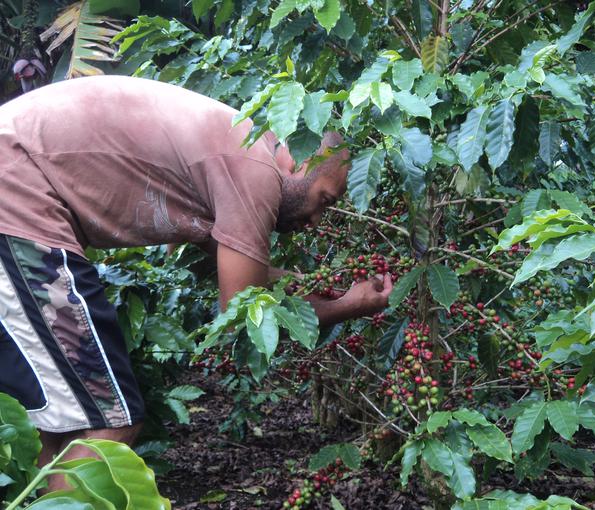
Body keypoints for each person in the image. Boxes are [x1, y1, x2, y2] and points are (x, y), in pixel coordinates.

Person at [0, 75, 393, 490]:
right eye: (324, 200)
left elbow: (253, 280)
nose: (315, 221)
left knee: (61, 421)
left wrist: (318, 287)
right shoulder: (255, 168)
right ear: (297, 159)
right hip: (18, 199)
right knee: (111, 422)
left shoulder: (237, 145)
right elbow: (242, 310)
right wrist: (347, 307)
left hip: (17, 189)